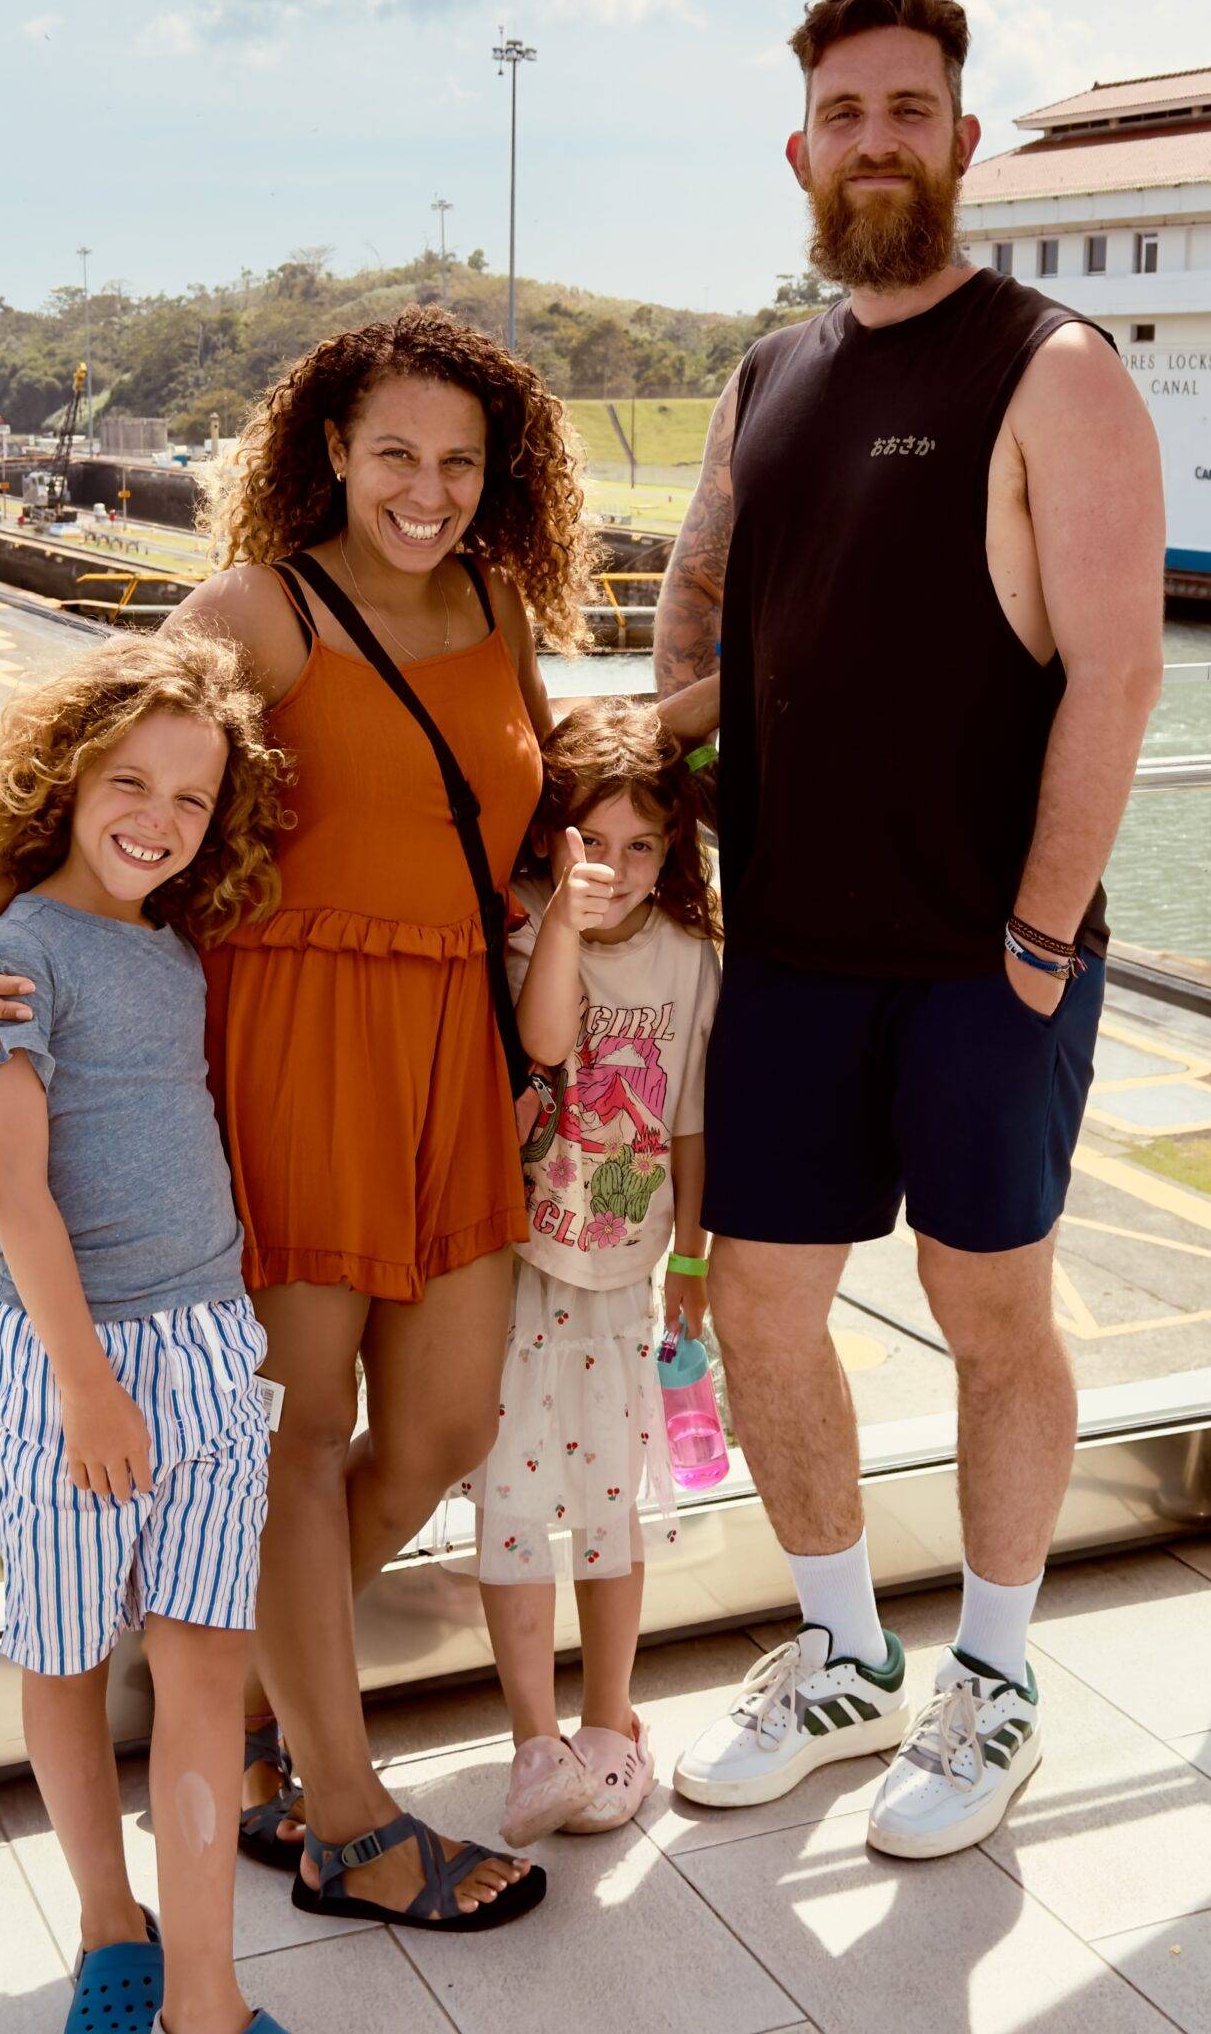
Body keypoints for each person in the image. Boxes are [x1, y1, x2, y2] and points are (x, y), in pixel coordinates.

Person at [0, 306, 588, 1933]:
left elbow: (520, 811)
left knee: (438, 1428)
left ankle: (238, 1682)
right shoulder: (259, 613)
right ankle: (347, 1816)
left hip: (452, 1052)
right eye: (393, 457)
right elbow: (97, 777)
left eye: (458, 461)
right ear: (329, 455)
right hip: (285, 1049)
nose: (426, 489)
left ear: (497, 474)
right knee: (292, 1442)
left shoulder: (500, 607)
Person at [654, 0, 1165, 1860]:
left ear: (962, 138)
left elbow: (1114, 676)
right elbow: (708, 608)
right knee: (762, 1309)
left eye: (908, 111)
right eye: (845, 117)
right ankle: (847, 1652)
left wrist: (1037, 939)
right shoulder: (765, 378)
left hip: (978, 963)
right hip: (789, 954)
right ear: (804, 153)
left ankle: (1002, 1675)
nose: (878, 144)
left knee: (990, 1311)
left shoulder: (1054, 370)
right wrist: (659, 735)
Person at [0, 630, 295, 2034]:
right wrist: (89, 1389)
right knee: (69, 1657)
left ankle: (205, 1996)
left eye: (191, 800)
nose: (158, 819)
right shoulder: (12, 953)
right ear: (64, 780)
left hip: (208, 1345)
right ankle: (110, 1924)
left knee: (209, 1660)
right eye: (128, 784)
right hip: (63, 1361)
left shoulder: (180, 950)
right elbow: (12, 1189)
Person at [455, 701, 721, 1845]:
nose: (613, 868)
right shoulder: (520, 933)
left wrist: (696, 1259)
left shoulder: (692, 958)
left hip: (624, 1272)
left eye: (640, 844)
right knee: (512, 1510)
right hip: (517, 1265)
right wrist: (560, 919)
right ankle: (532, 1741)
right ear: (548, 841)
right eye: (589, 841)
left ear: (674, 852)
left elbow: (696, 1124)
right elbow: (550, 1043)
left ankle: (611, 1722)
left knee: (613, 1510)